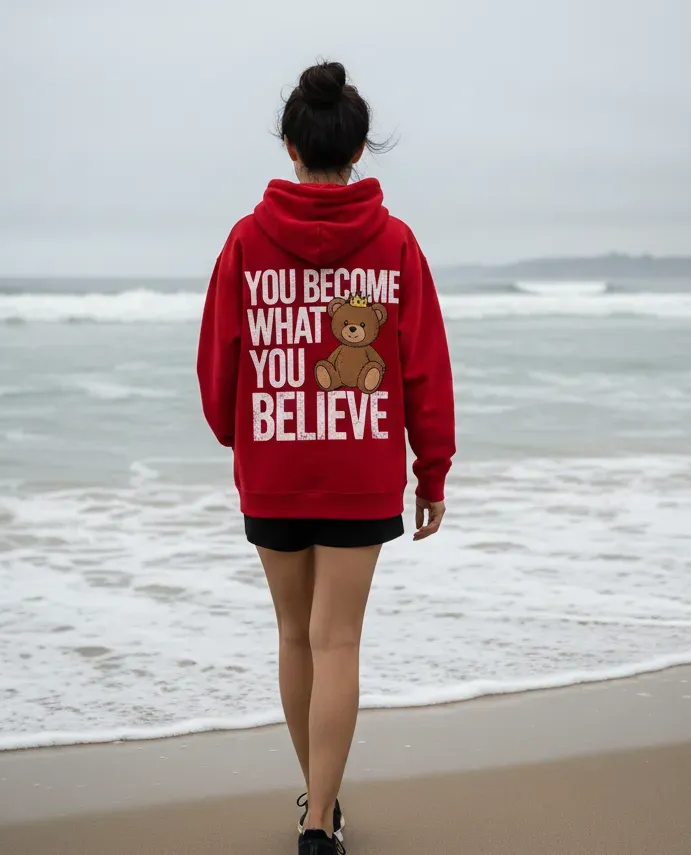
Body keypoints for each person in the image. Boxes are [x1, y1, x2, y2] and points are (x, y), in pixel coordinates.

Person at [197, 60, 455, 855]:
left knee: (292, 633)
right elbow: (424, 367)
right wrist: (431, 469)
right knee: (338, 637)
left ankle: (317, 795)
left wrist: (243, 435)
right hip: (360, 472)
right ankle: (319, 821)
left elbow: (218, 363)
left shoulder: (246, 241)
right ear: (358, 151)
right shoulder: (395, 243)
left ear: (289, 145)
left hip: (275, 466)